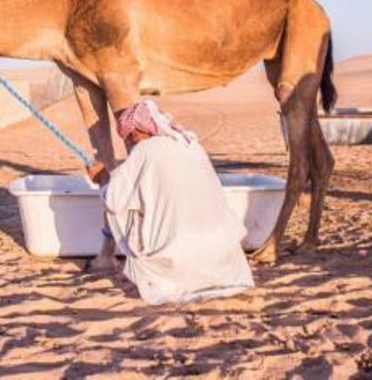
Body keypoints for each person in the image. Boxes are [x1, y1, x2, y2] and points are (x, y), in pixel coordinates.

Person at [91, 99, 254, 305]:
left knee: (121, 207)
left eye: (130, 136)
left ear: (140, 130)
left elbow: (114, 201)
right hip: (226, 262)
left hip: (176, 263)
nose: (130, 142)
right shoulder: (191, 143)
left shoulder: (143, 151)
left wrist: (102, 179)